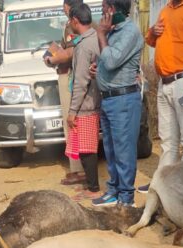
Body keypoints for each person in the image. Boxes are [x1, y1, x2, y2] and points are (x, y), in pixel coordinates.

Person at [139, 0, 183, 193]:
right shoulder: (166, 10)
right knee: (167, 141)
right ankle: (162, 186)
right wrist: (152, 32)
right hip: (164, 82)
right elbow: (150, 41)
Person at [91, 0, 144, 207]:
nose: (101, 12)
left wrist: (101, 34)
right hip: (109, 98)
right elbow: (107, 60)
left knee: (124, 151)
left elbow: (112, 61)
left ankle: (126, 198)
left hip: (123, 100)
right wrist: (97, 69)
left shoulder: (130, 32)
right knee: (111, 150)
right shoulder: (112, 31)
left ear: (112, 9)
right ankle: (114, 190)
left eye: (104, 8)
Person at [45, 0, 86, 186]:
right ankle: (79, 168)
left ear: (68, 7)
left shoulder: (72, 25)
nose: (63, 9)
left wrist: (50, 60)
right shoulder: (86, 23)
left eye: (64, 6)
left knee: (71, 123)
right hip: (78, 77)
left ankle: (78, 170)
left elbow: (69, 54)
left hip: (69, 76)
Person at [64, 4, 103, 201]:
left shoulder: (84, 45)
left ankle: (93, 188)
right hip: (95, 99)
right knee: (89, 145)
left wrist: (72, 111)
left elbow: (80, 81)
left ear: (75, 21)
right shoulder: (97, 37)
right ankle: (91, 184)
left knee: (86, 148)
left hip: (86, 103)